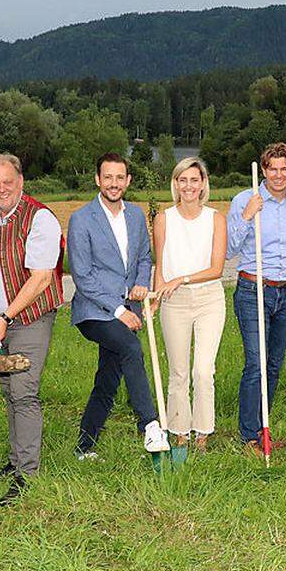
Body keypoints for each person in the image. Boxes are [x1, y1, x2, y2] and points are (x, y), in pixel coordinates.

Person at [69, 152, 168, 458]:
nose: (114, 183)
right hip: (94, 312)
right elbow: (82, 276)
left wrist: (141, 283)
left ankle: (85, 446)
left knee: (108, 377)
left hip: (128, 308)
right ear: (98, 180)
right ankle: (150, 425)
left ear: (128, 181)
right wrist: (119, 311)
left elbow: (142, 258)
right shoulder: (81, 219)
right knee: (130, 348)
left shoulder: (137, 216)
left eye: (119, 177)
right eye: (107, 177)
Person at [0, 153, 66, 506]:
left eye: (8, 182)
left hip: (29, 317)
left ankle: (26, 475)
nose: (2, 189)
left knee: (24, 392)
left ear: (21, 182)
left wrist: (6, 318)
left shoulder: (40, 218)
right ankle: (16, 459)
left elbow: (41, 278)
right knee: (9, 389)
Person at [227, 142, 286, 455]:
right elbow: (228, 248)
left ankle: (263, 425)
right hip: (254, 289)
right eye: (272, 169)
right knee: (256, 364)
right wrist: (247, 216)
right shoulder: (244, 199)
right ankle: (250, 435)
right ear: (263, 170)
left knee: (274, 364)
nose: (278, 175)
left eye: (284, 169)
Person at [151, 157, 227, 453]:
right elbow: (160, 264)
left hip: (209, 299)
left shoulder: (215, 218)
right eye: (183, 180)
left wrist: (180, 279)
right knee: (179, 372)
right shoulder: (164, 218)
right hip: (172, 301)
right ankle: (180, 431)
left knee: (203, 370)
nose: (189, 186)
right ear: (175, 184)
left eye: (194, 180)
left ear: (203, 184)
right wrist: (157, 296)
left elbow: (217, 268)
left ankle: (203, 432)